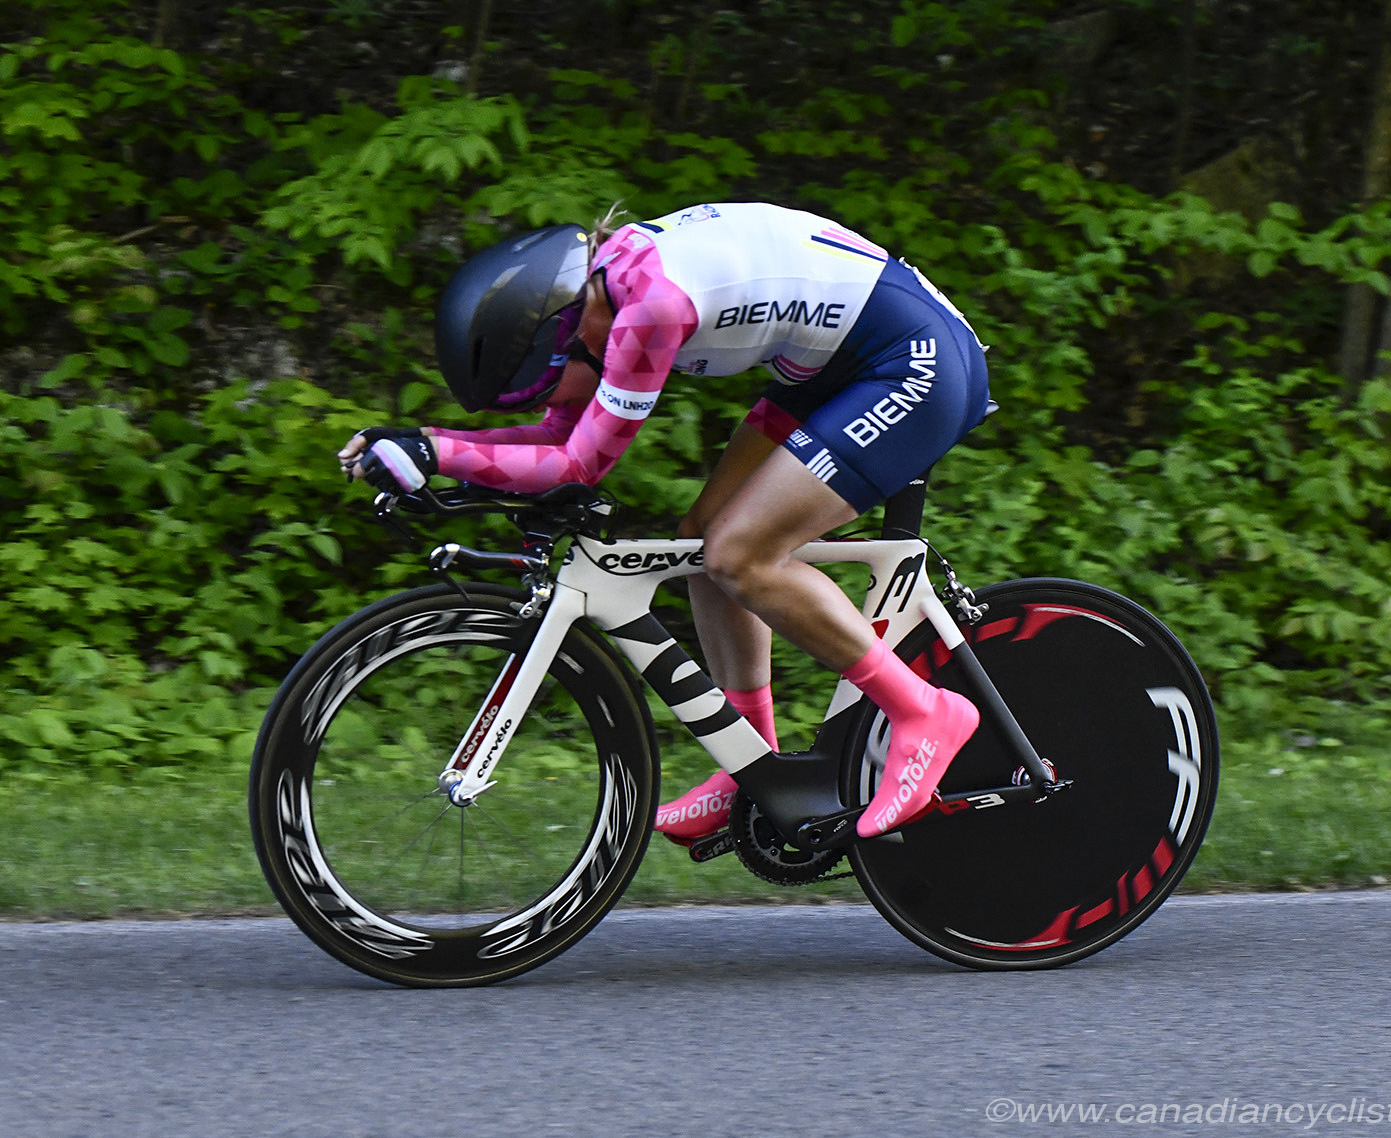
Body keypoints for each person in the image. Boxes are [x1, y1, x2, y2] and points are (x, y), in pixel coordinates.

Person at [339, 202, 991, 843]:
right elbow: (554, 436)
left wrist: (438, 453)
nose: (555, 398)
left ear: (563, 330)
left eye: (546, 381)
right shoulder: (610, 291)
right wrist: (422, 440)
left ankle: (924, 710)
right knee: (703, 540)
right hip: (839, 366)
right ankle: (752, 760)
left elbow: (574, 464)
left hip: (913, 361)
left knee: (741, 554)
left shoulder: (650, 307)